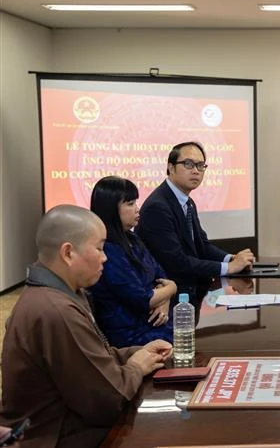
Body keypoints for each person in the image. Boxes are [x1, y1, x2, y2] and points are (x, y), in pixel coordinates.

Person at [0, 205, 171, 447]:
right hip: (56, 438)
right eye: (100, 248)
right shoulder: (56, 310)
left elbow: (92, 356)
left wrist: (136, 352)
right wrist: (135, 367)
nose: (105, 257)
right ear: (68, 253)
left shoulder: (59, 294)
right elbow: (108, 400)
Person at [136, 142, 254, 314]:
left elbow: (202, 246)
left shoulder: (187, 202)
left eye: (200, 165)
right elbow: (176, 262)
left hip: (191, 294)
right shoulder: (158, 206)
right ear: (171, 167)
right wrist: (228, 268)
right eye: (188, 164)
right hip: (169, 301)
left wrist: (231, 258)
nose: (196, 171)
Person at [89, 176, 178, 347]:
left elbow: (160, 276)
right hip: (131, 336)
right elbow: (142, 299)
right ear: (111, 209)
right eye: (130, 204)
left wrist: (165, 302)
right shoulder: (107, 249)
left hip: (155, 325)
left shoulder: (132, 238)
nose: (138, 209)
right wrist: (172, 288)